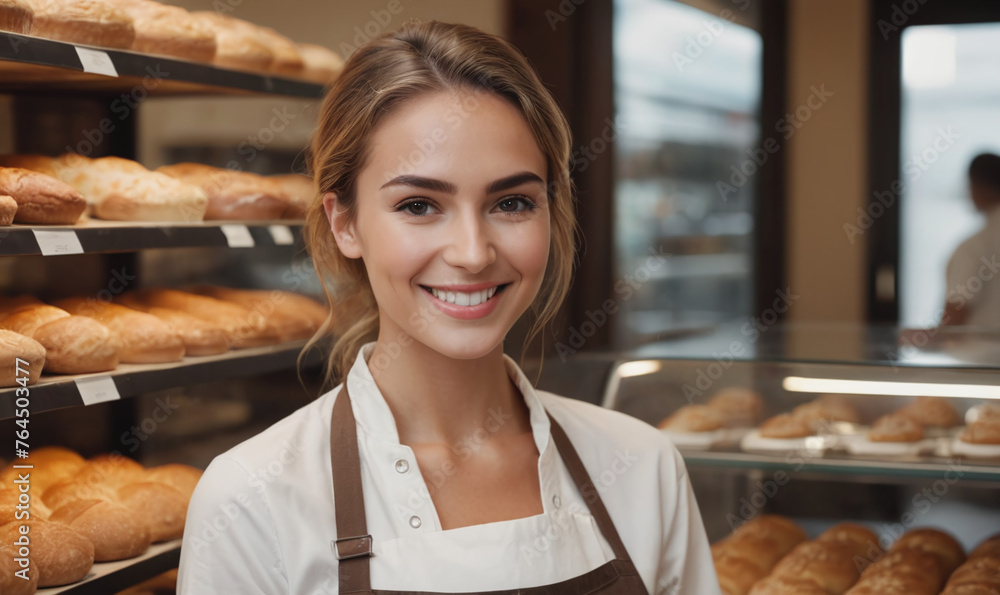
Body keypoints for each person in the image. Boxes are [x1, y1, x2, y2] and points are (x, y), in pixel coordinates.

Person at [177, 20, 719, 595]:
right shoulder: (252, 500)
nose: (472, 253)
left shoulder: (641, 467)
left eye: (511, 203)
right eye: (418, 205)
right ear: (346, 224)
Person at [942, 152, 1000, 327]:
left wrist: (917, 339)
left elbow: (955, 314)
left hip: (975, 353)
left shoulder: (976, 247)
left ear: (976, 187)